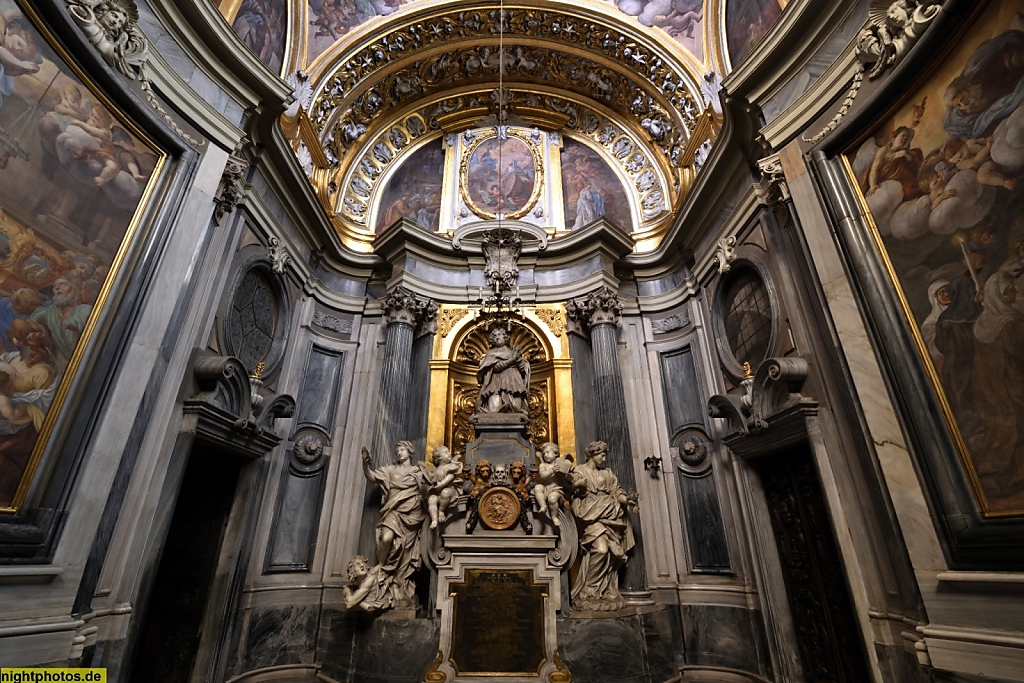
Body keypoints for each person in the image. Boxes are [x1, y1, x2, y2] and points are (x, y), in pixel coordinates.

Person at [569, 441, 638, 611]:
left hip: (610, 514)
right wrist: (577, 487)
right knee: (601, 549)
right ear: (592, 454)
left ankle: (603, 589)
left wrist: (627, 500)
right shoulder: (579, 471)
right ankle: (589, 588)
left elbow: (617, 491)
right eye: (601, 454)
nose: (604, 458)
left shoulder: (607, 473)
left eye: (605, 454)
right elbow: (570, 492)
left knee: (613, 553)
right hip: (591, 515)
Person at [360, 441, 428, 609]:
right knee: (387, 537)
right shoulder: (390, 470)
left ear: (410, 452)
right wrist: (365, 464)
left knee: (405, 551)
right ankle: (382, 565)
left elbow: (428, 490)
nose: (399, 453)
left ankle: (400, 584)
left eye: (403, 450)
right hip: (393, 510)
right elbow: (371, 477)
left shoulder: (418, 471)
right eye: (398, 450)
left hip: (412, 514)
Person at [475, 327, 530, 414]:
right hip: (495, 382)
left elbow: (523, 371)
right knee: (494, 410)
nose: (497, 337)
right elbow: (496, 367)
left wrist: (520, 363)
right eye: (495, 336)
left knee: (516, 411)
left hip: (513, 381)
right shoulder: (491, 353)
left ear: (505, 337)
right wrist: (512, 360)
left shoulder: (512, 351)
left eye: (499, 335)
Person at [534, 442, 571, 526]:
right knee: (537, 487)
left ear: (556, 454)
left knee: (552, 498)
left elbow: (567, 475)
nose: (545, 455)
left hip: (556, 489)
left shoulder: (559, 463)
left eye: (548, 452)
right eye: (544, 453)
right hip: (546, 487)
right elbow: (543, 476)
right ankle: (543, 505)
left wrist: (563, 471)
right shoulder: (543, 465)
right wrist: (552, 470)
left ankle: (554, 516)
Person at [425, 445, 462, 529]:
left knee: (445, 492)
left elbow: (450, 477)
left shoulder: (451, 467)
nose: (449, 454)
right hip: (437, 492)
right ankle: (434, 519)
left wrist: (441, 484)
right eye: (446, 452)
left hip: (450, 491)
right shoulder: (436, 469)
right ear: (439, 458)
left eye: (448, 452)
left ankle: (441, 511)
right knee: (432, 499)